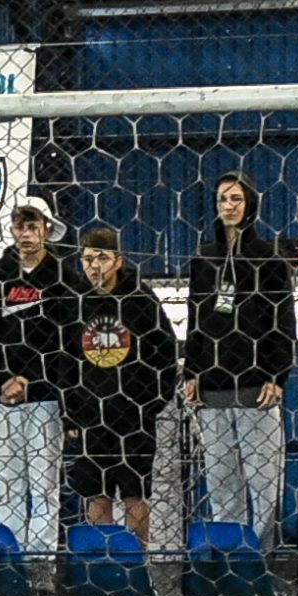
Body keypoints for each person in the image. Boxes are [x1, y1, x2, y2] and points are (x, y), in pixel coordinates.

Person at [183, 170, 298, 545]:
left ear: (250, 204)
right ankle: (230, 560)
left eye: (236, 199)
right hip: (213, 389)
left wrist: (277, 376)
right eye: (222, 200)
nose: (228, 206)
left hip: (255, 389)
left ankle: (262, 562)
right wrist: (192, 372)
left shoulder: (271, 259)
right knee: (221, 486)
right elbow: (196, 318)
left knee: (265, 486)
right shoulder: (204, 258)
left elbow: (284, 321)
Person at [0, 190, 79, 562]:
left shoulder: (65, 278)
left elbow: (69, 340)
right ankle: (13, 564)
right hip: (1, 400)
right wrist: (2, 379)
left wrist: (31, 380)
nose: (26, 232)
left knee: (44, 486)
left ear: (47, 229)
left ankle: (41, 565)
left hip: (45, 399)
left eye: (33, 225)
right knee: (8, 484)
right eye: (20, 224)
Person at [64, 226, 179, 542]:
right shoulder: (76, 301)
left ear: (117, 261)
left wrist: (150, 406)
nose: (93, 266)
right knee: (97, 496)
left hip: (133, 419)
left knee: (135, 495)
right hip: (90, 419)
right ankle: (105, 568)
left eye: (101, 258)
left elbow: (165, 353)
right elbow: (63, 359)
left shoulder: (139, 299)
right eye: (87, 259)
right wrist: (71, 413)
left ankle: (138, 571)